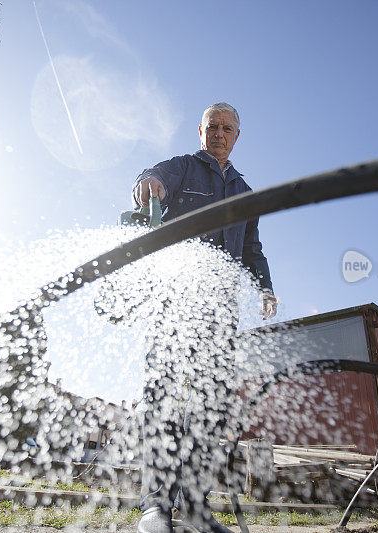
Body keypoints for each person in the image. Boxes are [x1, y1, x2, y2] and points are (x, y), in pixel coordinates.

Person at [133, 103, 277, 533]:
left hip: (219, 312)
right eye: (211, 126)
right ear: (200, 130)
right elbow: (150, 178)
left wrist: (265, 286)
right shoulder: (181, 168)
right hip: (173, 303)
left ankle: (196, 506)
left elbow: (252, 248)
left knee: (209, 406)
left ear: (237, 135)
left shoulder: (245, 191)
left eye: (226, 128)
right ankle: (156, 507)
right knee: (163, 399)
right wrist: (148, 184)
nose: (218, 133)